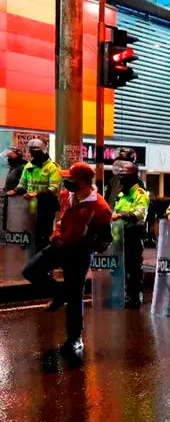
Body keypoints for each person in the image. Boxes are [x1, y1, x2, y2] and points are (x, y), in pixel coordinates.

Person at [22, 163, 112, 356]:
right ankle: (60, 293)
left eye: (71, 179)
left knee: (75, 297)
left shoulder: (100, 207)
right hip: (59, 246)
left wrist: (84, 245)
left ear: (83, 183)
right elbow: (61, 220)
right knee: (30, 270)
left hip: (79, 253)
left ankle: (74, 339)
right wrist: (57, 235)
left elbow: (105, 240)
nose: (66, 182)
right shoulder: (65, 196)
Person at [8, 139, 62, 252]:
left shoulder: (53, 167)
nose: (34, 155)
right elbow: (22, 184)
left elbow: (53, 188)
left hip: (46, 208)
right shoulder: (28, 166)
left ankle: (43, 260)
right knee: (30, 237)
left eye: (36, 152)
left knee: (43, 237)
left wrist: (36, 194)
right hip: (29, 208)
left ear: (43, 151)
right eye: (32, 152)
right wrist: (15, 191)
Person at [111, 161, 149, 309]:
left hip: (134, 235)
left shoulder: (140, 194)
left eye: (124, 177)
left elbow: (139, 215)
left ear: (133, 178)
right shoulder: (121, 194)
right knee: (120, 267)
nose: (121, 181)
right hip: (119, 236)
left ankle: (134, 296)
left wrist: (122, 215)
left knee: (134, 268)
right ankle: (122, 293)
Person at [104, 147, 139, 211]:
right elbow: (106, 200)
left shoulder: (136, 184)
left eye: (125, 164)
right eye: (119, 164)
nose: (122, 168)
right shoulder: (113, 181)